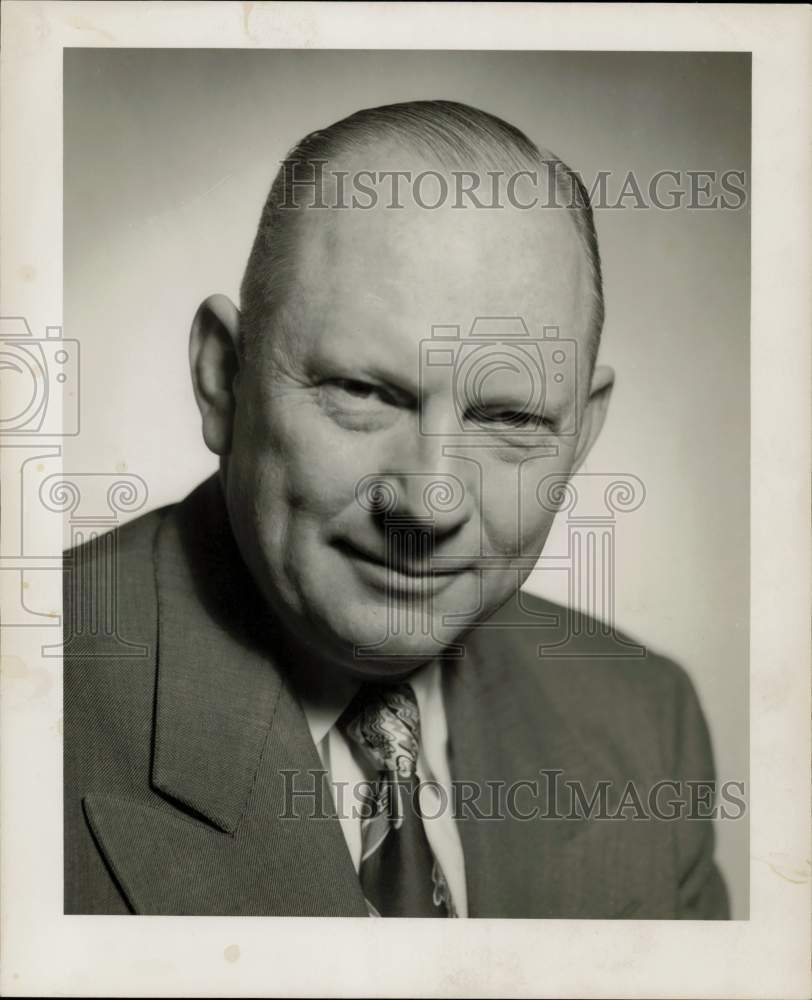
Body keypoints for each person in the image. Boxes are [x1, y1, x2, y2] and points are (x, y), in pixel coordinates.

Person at [63, 100, 729, 918]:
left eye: (509, 418)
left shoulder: (644, 725)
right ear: (223, 379)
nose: (429, 499)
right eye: (363, 392)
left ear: (582, 433)